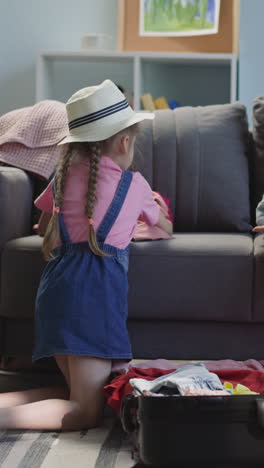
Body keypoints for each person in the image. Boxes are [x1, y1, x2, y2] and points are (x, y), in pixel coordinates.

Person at [0, 80, 172, 431]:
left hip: (55, 293)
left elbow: (43, 224)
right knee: (85, 412)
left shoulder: (60, 180)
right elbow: (165, 226)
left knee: (76, 393)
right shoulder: (135, 186)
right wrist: (156, 215)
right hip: (94, 300)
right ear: (125, 142)